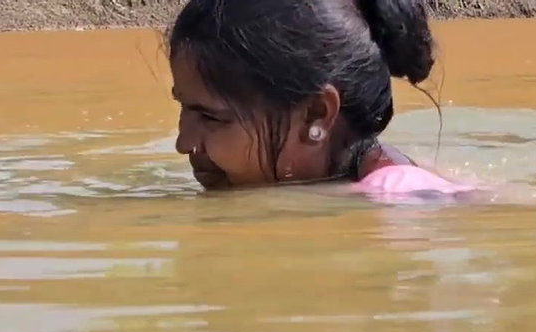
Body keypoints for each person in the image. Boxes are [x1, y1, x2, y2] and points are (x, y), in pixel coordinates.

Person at [166, 0, 470, 197]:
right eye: (184, 107)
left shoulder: (396, 203)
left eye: (210, 117)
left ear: (317, 115)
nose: (183, 143)